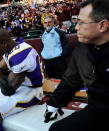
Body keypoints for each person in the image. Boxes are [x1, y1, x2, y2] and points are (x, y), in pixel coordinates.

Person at [44, 0, 109, 131]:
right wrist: (53, 104)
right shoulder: (82, 49)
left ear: (102, 25)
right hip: (96, 112)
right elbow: (70, 80)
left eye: (81, 22)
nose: (77, 27)